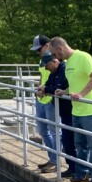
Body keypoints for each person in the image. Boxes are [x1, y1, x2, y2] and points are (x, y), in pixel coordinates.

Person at [48, 37, 92, 182]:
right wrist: (64, 91)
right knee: (80, 144)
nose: (55, 58)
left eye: (55, 54)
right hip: (76, 110)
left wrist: (82, 94)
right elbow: (75, 83)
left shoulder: (83, 57)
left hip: (89, 110)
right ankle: (81, 174)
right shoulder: (68, 62)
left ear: (60, 49)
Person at [41, 51, 77, 177]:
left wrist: (46, 90)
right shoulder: (54, 72)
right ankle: (72, 168)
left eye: (47, 65)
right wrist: (44, 88)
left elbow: (60, 87)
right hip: (63, 110)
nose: (46, 68)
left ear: (55, 61)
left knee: (73, 140)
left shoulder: (64, 69)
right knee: (67, 140)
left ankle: (78, 169)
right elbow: (49, 85)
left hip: (70, 110)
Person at [30, 35, 58, 173]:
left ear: (47, 45)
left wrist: (46, 89)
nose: (37, 52)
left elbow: (56, 77)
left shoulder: (55, 59)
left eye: (39, 49)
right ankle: (52, 158)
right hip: (40, 98)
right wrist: (39, 87)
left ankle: (56, 161)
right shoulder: (42, 60)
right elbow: (42, 75)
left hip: (50, 99)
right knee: (42, 130)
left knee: (54, 131)